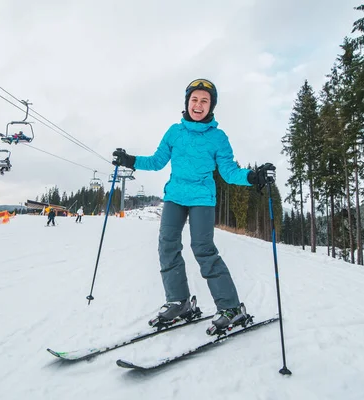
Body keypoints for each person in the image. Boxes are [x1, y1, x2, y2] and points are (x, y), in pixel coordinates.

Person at [112, 78, 274, 334]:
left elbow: (229, 172)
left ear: (211, 107)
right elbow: (156, 161)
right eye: (194, 99)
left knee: (203, 248)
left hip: (202, 198)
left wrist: (252, 177)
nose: (198, 105)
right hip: (175, 196)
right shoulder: (174, 132)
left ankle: (230, 308)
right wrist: (130, 160)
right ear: (187, 102)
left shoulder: (218, 137)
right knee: (167, 245)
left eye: (204, 101)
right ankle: (179, 302)